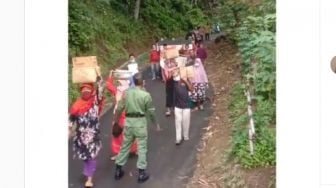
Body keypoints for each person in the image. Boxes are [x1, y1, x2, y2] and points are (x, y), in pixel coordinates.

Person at [113, 73, 161, 183]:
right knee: (142, 147)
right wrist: (156, 124)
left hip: (128, 122)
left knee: (125, 146)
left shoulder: (126, 93)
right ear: (143, 82)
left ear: (134, 82)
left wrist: (116, 121)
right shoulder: (146, 95)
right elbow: (151, 112)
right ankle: (141, 173)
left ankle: (118, 171)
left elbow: (119, 108)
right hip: (140, 123)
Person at [68, 77, 105, 188]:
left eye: (88, 91)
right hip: (81, 138)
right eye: (84, 92)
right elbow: (70, 121)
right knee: (85, 157)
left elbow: (100, 90)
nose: (86, 93)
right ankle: (88, 169)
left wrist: (99, 79)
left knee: (92, 157)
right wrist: (68, 131)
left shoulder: (95, 102)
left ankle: (89, 179)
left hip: (93, 137)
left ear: (91, 92)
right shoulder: (76, 106)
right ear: (81, 93)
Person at [106, 73, 137, 161]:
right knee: (117, 135)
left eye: (121, 83)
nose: (119, 84)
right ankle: (121, 153)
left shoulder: (131, 93)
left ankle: (132, 150)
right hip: (119, 117)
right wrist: (111, 76)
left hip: (127, 117)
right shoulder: (118, 91)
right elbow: (108, 85)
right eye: (119, 83)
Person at [172, 70, 194, 145]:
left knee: (186, 122)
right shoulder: (173, 82)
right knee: (178, 122)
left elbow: (191, 89)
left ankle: (185, 135)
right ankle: (178, 138)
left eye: (176, 72)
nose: (174, 74)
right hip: (177, 106)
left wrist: (185, 81)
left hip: (186, 106)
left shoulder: (185, 81)